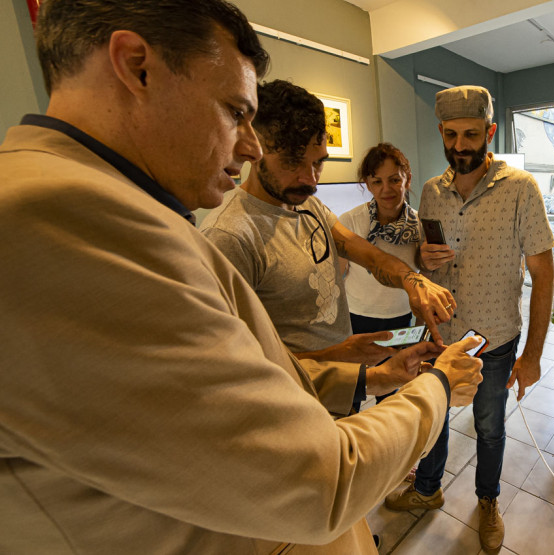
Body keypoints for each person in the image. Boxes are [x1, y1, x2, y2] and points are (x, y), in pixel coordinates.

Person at [0, 1, 484, 553]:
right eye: (234, 112)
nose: (250, 147)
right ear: (137, 66)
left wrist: (370, 371)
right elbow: (319, 482)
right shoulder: (60, 221)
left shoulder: (138, 208)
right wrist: (436, 386)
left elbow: (239, 377)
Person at [384, 85, 554, 551]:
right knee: (434, 416)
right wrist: (424, 258)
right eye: (451, 135)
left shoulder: (521, 188)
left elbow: (544, 275)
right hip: (440, 334)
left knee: (489, 428)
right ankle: (428, 488)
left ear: (490, 132)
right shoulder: (430, 191)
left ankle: (487, 500)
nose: (460, 145)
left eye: (471, 135)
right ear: (441, 131)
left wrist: (533, 355)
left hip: (493, 339)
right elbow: (425, 264)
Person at [201, 80, 455, 374]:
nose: (311, 180)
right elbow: (232, 363)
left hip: (340, 385)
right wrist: (336, 355)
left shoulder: (307, 205)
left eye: (318, 163)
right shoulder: (229, 236)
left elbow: (370, 257)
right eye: (293, 162)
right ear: (252, 149)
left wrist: (413, 282)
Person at [339, 143, 421, 410]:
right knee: (352, 390)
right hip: (357, 319)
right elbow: (337, 275)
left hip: (399, 321)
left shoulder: (420, 226)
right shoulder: (350, 222)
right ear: (368, 184)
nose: (387, 189)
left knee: (392, 392)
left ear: (407, 179)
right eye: (377, 181)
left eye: (394, 179)